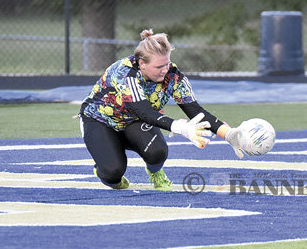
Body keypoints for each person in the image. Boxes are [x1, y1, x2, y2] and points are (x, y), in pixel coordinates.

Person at [79, 29, 247, 191]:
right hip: (99, 121)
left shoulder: (172, 75)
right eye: (159, 66)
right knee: (112, 172)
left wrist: (228, 134)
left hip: (133, 122)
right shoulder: (124, 73)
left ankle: (155, 173)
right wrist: (179, 127)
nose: (165, 70)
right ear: (142, 63)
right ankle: (105, 167)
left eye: (166, 64)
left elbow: (195, 111)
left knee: (157, 152)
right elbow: (143, 111)